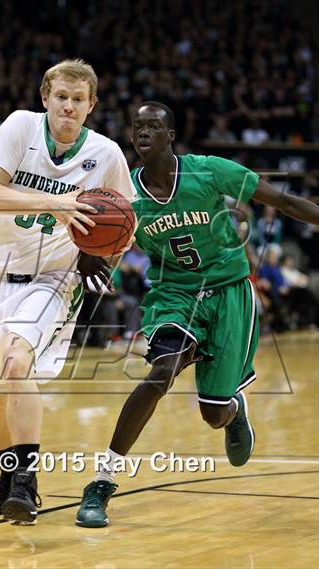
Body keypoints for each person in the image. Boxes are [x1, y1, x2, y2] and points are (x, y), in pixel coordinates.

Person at [75, 101, 319, 528]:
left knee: (213, 413)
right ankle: (102, 481)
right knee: (160, 373)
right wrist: (87, 254)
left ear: (171, 136)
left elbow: (279, 198)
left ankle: (234, 410)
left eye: (154, 126)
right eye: (138, 127)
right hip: (175, 295)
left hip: (228, 292)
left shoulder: (208, 170)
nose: (143, 133)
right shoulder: (127, 196)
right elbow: (101, 238)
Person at [0, 59, 135, 525]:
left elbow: (125, 227)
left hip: (53, 280)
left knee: (17, 362)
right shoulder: (19, 128)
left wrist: (103, 256)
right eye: (61, 97)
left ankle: (26, 483)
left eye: (79, 100)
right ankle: (7, 473)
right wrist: (56, 201)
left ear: (91, 105)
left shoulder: (107, 155)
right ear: (45, 98)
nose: (69, 107)